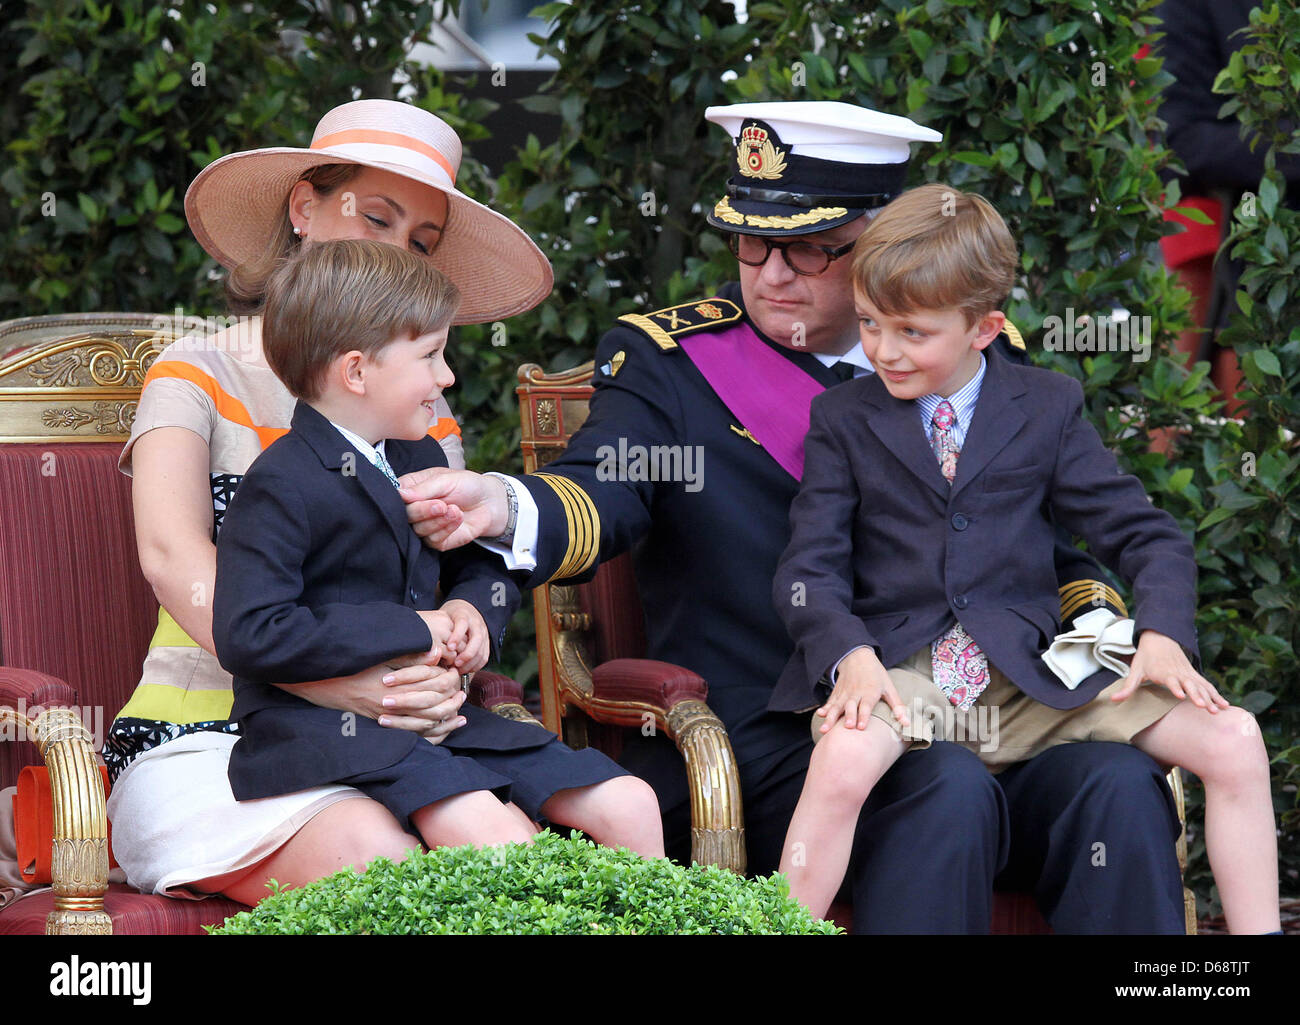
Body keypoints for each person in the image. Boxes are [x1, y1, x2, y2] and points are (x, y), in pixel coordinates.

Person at [401, 102, 1195, 933]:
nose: (772, 273)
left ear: (884, 241)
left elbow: (1061, 556)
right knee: (943, 788)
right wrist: (503, 502)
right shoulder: (675, 368)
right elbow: (604, 489)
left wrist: (1100, 649)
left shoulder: (981, 360)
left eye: (811, 247)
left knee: (1116, 785)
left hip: (987, 708)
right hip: (780, 736)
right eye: (752, 240)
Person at [769, 183, 1278, 932]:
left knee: (1236, 739)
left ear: (985, 328)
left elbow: (1148, 535)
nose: (883, 349)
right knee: (842, 759)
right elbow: (807, 570)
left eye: (912, 331)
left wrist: (1163, 633)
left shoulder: (1046, 405)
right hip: (910, 677)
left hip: (1034, 685)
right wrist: (848, 654)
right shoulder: (843, 416)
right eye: (872, 323)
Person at [104, 99, 554, 904]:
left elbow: (452, 576)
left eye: (419, 243)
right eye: (375, 219)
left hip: (393, 736)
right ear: (305, 208)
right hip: (204, 737)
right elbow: (174, 560)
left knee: (525, 836)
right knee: (385, 863)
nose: (396, 254)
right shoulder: (197, 368)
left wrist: (460, 639)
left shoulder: (420, 406)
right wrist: (329, 686)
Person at [211, 239, 660, 856]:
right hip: (313, 730)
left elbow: (477, 559)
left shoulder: (416, 455)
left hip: (438, 719)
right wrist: (413, 629)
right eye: (430, 356)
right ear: (356, 372)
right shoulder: (280, 484)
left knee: (630, 803)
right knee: (493, 833)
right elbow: (250, 633)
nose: (447, 378)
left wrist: (475, 609)